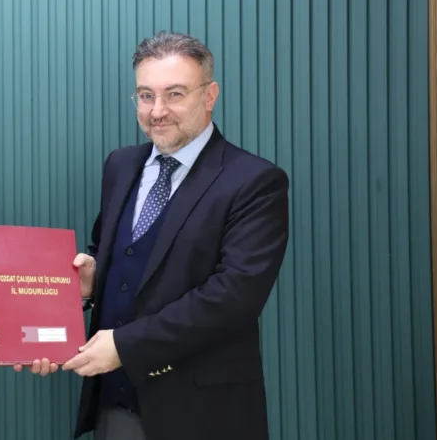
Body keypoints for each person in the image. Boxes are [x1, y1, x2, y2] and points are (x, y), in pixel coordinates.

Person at [18, 31, 289, 440]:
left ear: (210, 95)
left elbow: (235, 296)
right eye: (146, 96)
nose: (157, 111)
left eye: (174, 94)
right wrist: (91, 280)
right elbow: (117, 255)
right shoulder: (120, 165)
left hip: (203, 412)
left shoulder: (254, 181)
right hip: (115, 405)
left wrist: (126, 346)